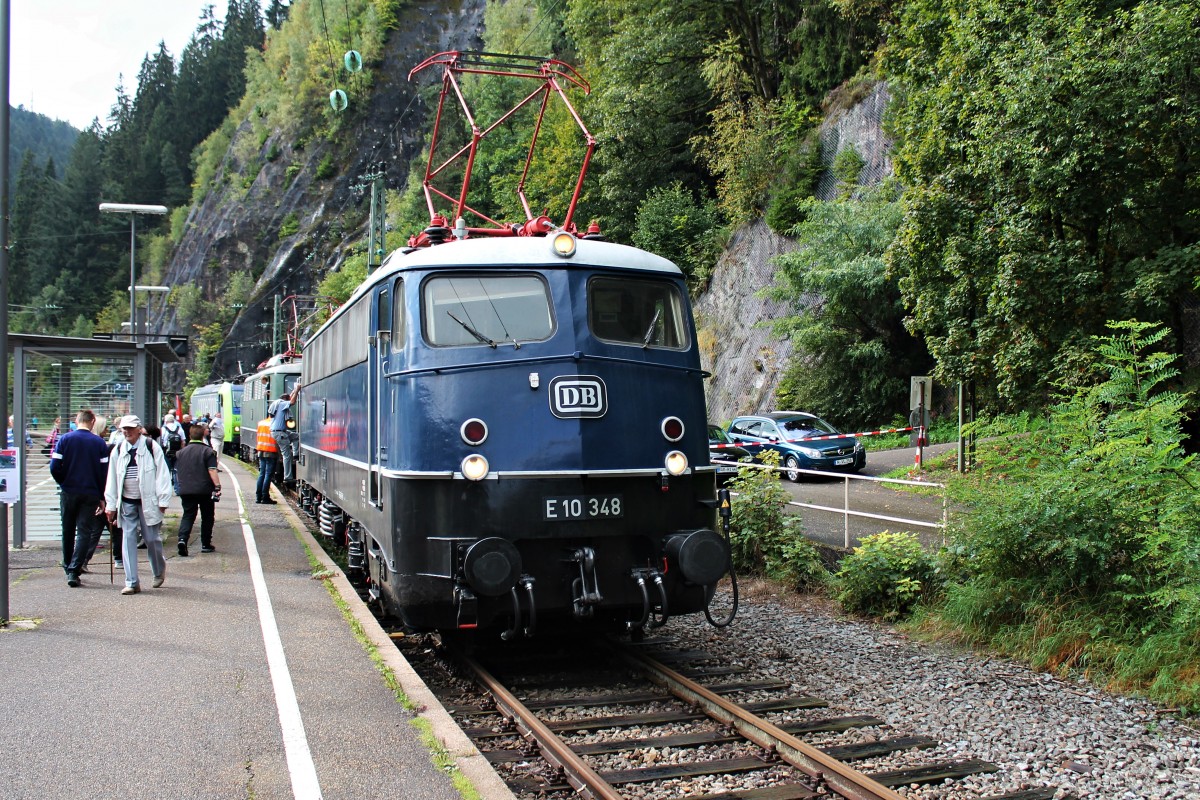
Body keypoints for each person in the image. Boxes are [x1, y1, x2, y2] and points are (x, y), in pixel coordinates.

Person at [105, 416, 172, 595]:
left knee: (151, 539)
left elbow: (163, 475)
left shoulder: (151, 447)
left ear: (138, 429)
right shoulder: (118, 449)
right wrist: (110, 504)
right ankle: (132, 582)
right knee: (128, 540)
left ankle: (159, 570)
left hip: (148, 502)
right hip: (127, 502)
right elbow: (112, 478)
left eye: (130, 428)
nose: (126, 432)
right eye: (123, 429)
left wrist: (163, 500)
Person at [49, 410, 110, 587]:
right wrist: (101, 495)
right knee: (84, 532)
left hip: (69, 492)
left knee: (67, 529)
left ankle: (68, 566)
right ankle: (75, 570)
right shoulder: (99, 443)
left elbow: (54, 466)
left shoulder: (65, 439)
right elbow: (103, 473)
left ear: (77, 421)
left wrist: (64, 481)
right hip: (90, 493)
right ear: (92, 422)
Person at [174, 423, 221, 556]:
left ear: (190, 435)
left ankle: (182, 540)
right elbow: (212, 470)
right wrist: (217, 486)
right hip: (204, 490)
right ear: (203, 436)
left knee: (188, 515)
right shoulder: (208, 451)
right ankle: (206, 544)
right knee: (207, 516)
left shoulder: (180, 453)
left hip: (186, 489)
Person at [268, 384, 300, 485]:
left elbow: (290, 398)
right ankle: (288, 477)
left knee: (296, 436)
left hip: (279, 432)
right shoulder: (282, 404)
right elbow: (292, 401)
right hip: (279, 433)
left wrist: (294, 390)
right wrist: (298, 390)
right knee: (286, 455)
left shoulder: (277, 403)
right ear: (285, 399)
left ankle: (296, 454)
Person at [255, 415, 279, 504]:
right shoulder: (275, 424)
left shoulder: (261, 423)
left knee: (262, 474)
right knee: (268, 475)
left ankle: (258, 497)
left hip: (261, 450)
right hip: (270, 452)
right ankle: (265, 497)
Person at [160, 413, 186, 493]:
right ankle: (177, 489)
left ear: (165, 420)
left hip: (166, 452)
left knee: (166, 471)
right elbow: (183, 441)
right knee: (176, 471)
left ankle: (165, 490)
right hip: (177, 452)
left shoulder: (163, 429)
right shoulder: (179, 428)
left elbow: (161, 440)